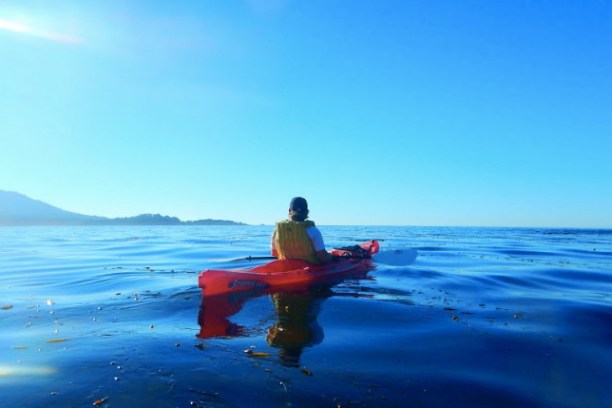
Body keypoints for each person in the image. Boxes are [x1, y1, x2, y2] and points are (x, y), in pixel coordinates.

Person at [271, 197, 332, 264]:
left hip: (286, 269)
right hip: (309, 271)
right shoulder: (312, 230)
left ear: (289, 210)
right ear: (307, 212)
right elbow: (323, 257)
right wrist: (333, 257)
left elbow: (274, 253)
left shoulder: (277, 230)